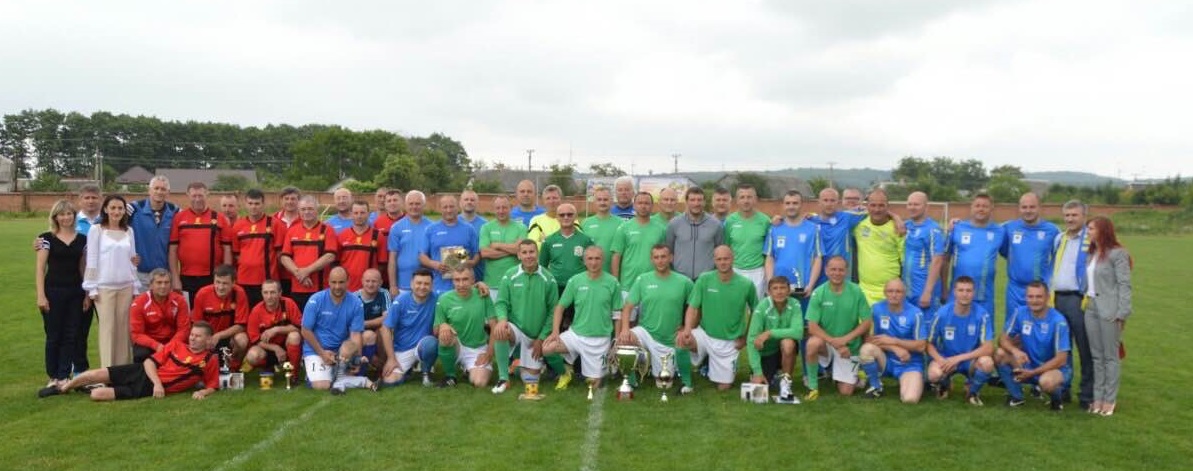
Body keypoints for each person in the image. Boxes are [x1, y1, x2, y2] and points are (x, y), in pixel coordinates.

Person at [38, 322, 220, 401]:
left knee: (97, 395)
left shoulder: (209, 359)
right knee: (96, 373)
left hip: (146, 388)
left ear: (208, 339)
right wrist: (158, 383)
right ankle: (63, 388)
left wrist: (203, 392)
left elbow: (213, 385)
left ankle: (94, 387)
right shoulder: (176, 345)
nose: (192, 338)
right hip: (142, 372)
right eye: (192, 335)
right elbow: (149, 363)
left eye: (198, 336)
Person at [679, 245, 759, 391]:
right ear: (714, 260)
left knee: (724, 387)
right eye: (719, 259)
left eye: (726, 259)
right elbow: (693, 307)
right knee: (681, 340)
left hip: (729, 342)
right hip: (705, 334)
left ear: (732, 259)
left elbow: (756, 312)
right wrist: (687, 329)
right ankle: (686, 383)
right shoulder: (704, 279)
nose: (723, 262)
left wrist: (746, 338)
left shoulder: (746, 284)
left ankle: (714, 366)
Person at [619, 245, 695, 392]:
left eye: (663, 256)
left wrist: (687, 328)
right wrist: (625, 329)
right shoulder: (643, 279)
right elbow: (628, 307)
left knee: (663, 383)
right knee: (624, 339)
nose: (660, 260)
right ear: (652, 260)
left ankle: (687, 383)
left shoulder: (684, 282)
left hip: (669, 339)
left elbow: (695, 307)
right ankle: (630, 382)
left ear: (670, 258)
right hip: (646, 332)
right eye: (656, 257)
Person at [545, 246, 622, 391]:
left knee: (595, 385)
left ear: (602, 260)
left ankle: (596, 372)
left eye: (597, 258)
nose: (593, 262)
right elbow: (559, 307)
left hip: (600, 340)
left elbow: (617, 313)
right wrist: (555, 332)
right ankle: (565, 372)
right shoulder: (575, 281)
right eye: (590, 259)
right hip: (576, 335)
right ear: (584, 261)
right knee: (548, 348)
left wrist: (616, 339)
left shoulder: (612, 282)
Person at [492, 240, 563, 394]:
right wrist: (502, 320)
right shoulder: (510, 275)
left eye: (532, 252)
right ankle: (503, 378)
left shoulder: (548, 278)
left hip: (536, 336)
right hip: (516, 330)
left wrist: (541, 338)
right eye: (524, 252)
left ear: (537, 254)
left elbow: (553, 311)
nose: (528, 256)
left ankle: (518, 364)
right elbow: (501, 302)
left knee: (530, 379)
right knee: (500, 330)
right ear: (518, 255)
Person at [35, 200, 89, 388]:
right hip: (53, 292)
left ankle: (64, 375)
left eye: (69, 214)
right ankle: (53, 376)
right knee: (53, 335)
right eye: (62, 214)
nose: (66, 218)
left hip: (75, 292)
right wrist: (41, 295)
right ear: (55, 217)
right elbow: (40, 269)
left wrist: (86, 294)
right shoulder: (46, 239)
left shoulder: (82, 239)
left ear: (74, 216)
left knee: (70, 335)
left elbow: (83, 268)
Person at [83, 194, 141, 368]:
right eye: (113, 208)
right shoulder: (97, 230)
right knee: (107, 330)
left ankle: (122, 370)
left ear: (124, 211)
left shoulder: (128, 231)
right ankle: (107, 372)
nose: (117, 212)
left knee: (123, 330)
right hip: (104, 288)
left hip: (126, 287)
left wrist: (135, 287)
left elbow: (132, 260)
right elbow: (92, 259)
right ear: (106, 209)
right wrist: (92, 288)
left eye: (120, 208)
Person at [803, 256, 872, 400]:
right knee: (812, 343)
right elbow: (812, 327)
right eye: (833, 269)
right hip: (827, 343)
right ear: (826, 271)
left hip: (849, 346)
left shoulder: (856, 291)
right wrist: (834, 342)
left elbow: (867, 322)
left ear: (846, 271)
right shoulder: (819, 292)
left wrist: (845, 340)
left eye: (840, 270)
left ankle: (852, 372)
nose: (836, 273)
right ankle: (813, 387)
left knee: (846, 392)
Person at [996, 282, 1071, 411]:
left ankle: (1057, 398)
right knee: (999, 354)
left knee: (1046, 382)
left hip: (1054, 369)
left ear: (1047, 297)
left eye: (1039, 296)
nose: (1034, 301)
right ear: (1025, 297)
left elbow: (1061, 359)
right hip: (1028, 364)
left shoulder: (1058, 321)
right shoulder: (1020, 312)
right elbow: (1002, 339)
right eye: (1030, 296)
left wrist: (1032, 373)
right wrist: (1015, 351)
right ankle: (1016, 397)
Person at [1085, 216, 1132, 416]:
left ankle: (1109, 400)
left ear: (1103, 230)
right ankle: (1097, 398)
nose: (1088, 232)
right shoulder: (1092, 253)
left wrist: (1122, 312)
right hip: (1090, 308)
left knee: (1110, 357)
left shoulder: (1118, 254)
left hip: (1109, 310)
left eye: (1091, 228)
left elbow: (1124, 284)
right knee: (1097, 357)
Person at [302, 267, 374, 393]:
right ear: (328, 281)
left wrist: (355, 359)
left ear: (348, 281)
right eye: (334, 282)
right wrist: (322, 353)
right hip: (318, 350)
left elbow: (355, 333)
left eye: (341, 282)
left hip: (342, 350)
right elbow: (305, 330)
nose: (337, 286)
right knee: (322, 386)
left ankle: (347, 372)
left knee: (369, 335)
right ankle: (317, 374)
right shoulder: (315, 300)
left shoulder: (356, 302)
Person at [926, 276, 996, 406]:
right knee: (933, 374)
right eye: (961, 290)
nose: (965, 294)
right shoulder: (942, 313)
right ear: (954, 292)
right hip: (946, 359)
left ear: (973, 293)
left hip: (970, 360)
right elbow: (928, 344)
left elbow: (989, 348)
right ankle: (945, 384)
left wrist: (958, 358)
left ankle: (973, 392)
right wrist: (940, 360)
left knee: (987, 363)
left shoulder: (982, 315)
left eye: (968, 290)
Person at [1050, 200, 1093, 408]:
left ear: (1084, 216)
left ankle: (1087, 395)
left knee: (1085, 348)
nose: (1070, 219)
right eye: (1067, 215)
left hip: (1079, 299)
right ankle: (1062, 390)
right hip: (1058, 299)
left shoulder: (1091, 239)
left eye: (1074, 215)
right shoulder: (1060, 238)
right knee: (1062, 349)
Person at [857, 279, 928, 403]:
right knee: (866, 349)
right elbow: (868, 339)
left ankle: (915, 380)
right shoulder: (876, 309)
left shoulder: (915, 313)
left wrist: (895, 341)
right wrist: (894, 348)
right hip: (886, 360)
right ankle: (876, 386)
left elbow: (921, 346)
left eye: (898, 291)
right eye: (890, 291)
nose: (894, 295)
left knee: (910, 400)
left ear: (904, 293)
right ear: (885, 292)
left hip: (909, 363)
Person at [942, 194, 1005, 317]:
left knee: (984, 328)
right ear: (971, 207)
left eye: (985, 206)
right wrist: (944, 288)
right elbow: (945, 259)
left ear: (992, 208)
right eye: (977, 206)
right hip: (958, 294)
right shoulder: (957, 228)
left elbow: (1009, 254)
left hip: (985, 295)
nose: (981, 209)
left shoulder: (1000, 231)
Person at [433, 268, 496, 388]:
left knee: (479, 383)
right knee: (445, 333)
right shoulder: (444, 299)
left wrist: (489, 353)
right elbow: (435, 331)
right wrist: (443, 325)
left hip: (477, 348)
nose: (461, 284)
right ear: (452, 281)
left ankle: (468, 369)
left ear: (473, 280)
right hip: (456, 345)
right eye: (457, 280)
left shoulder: (483, 295)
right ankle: (450, 376)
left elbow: (494, 327)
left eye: (465, 279)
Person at [1001, 192, 1060, 318]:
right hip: (1015, 291)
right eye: (1024, 207)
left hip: (1040, 290)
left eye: (1032, 207)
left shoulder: (1052, 230)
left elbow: (1060, 256)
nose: (1028, 211)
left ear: (1039, 207)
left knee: (1039, 325)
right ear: (1019, 208)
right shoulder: (1008, 227)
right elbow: (986, 231)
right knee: (1014, 326)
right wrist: (958, 223)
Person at [169, 182, 232, 299]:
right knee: (188, 309)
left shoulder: (220, 218)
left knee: (211, 309)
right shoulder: (179, 218)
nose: (197, 199)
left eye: (200, 196)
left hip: (213, 277)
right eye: (194, 196)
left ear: (207, 194)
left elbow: (227, 249)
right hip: (186, 278)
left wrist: (226, 276)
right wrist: (175, 278)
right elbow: (173, 250)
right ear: (188, 195)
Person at [746, 277, 804, 401]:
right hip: (766, 352)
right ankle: (771, 374)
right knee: (759, 392)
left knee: (788, 343)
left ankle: (785, 385)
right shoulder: (762, 307)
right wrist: (757, 372)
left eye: (783, 288)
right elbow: (752, 340)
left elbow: (798, 332)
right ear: (769, 292)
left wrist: (769, 333)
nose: (779, 292)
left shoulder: (794, 304)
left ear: (789, 290)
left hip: (783, 349)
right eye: (775, 288)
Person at [612, 192, 667, 321]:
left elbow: (665, 257)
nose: (643, 206)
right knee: (627, 322)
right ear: (634, 205)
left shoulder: (660, 229)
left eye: (647, 203)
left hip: (652, 284)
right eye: (640, 203)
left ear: (652, 206)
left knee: (648, 323)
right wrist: (616, 282)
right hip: (628, 285)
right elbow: (616, 256)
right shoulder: (624, 228)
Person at [380, 269, 440, 387]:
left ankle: (426, 372)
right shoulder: (400, 301)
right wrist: (391, 358)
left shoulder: (437, 299)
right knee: (390, 382)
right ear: (411, 284)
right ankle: (408, 370)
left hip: (423, 346)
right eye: (419, 283)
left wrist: (477, 286)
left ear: (432, 285)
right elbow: (385, 328)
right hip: (403, 349)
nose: (422, 287)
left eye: (426, 284)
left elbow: (457, 293)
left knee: (431, 343)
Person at [764, 190, 822, 310]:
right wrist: (770, 283)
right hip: (779, 287)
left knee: (801, 319)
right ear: (783, 205)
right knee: (780, 319)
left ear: (801, 205)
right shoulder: (774, 229)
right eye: (788, 203)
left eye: (795, 203)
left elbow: (818, 258)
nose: (791, 206)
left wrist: (811, 285)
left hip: (802, 288)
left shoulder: (813, 229)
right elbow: (770, 258)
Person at [280, 195, 340, 308]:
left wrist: (307, 271)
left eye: (310, 209)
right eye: (303, 209)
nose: (306, 212)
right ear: (298, 211)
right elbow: (284, 257)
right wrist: (299, 274)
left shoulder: (327, 230)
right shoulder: (292, 231)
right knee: (299, 318)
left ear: (317, 210)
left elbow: (330, 256)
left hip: (321, 288)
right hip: (297, 287)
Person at [231, 188, 286, 308]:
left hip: (267, 281)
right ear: (245, 204)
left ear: (263, 204)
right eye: (250, 203)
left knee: (268, 312)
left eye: (257, 203)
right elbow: (236, 253)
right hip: (244, 280)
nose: (253, 207)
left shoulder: (275, 224)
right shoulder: (238, 225)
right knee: (246, 312)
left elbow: (280, 254)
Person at [191, 264, 250, 370]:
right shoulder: (202, 294)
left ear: (233, 283)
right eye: (217, 282)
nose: (220, 287)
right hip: (209, 336)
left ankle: (235, 367)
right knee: (196, 340)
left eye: (225, 283)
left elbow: (241, 326)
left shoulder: (240, 293)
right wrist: (207, 338)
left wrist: (218, 336)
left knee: (242, 339)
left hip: (229, 336)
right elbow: (197, 325)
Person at [420, 194, 480, 295]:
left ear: (457, 207)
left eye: (451, 206)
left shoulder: (469, 229)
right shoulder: (431, 229)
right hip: (439, 286)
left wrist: (472, 263)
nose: (449, 210)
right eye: (445, 207)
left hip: (463, 285)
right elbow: (422, 256)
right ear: (440, 209)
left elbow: (477, 254)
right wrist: (434, 264)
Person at [853, 189, 904, 305]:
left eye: (881, 205)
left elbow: (905, 262)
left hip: (891, 292)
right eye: (873, 205)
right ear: (867, 206)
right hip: (865, 290)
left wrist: (896, 218)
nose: (877, 209)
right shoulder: (859, 225)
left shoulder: (898, 229)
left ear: (887, 206)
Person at [129, 269, 191, 364]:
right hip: (150, 342)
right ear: (151, 285)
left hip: (173, 340)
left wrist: (171, 345)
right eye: (159, 282)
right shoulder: (139, 303)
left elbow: (184, 329)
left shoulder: (180, 300)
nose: (163, 286)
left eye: (166, 282)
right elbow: (136, 334)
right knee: (140, 354)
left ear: (171, 285)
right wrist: (156, 346)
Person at [243, 279, 303, 372]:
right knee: (252, 356)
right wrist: (275, 348)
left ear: (280, 293)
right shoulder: (256, 311)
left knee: (294, 336)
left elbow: (300, 328)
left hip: (286, 345)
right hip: (267, 348)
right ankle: (267, 369)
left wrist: (277, 329)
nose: (269, 296)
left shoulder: (288, 303)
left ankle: (293, 373)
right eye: (265, 292)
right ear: (261, 293)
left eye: (273, 292)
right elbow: (255, 340)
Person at [129, 175, 178, 287]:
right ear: (149, 190)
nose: (159, 192)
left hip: (164, 276)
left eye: (163, 189)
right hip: (140, 274)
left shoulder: (175, 211)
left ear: (168, 193)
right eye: (156, 188)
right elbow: (106, 221)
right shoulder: (134, 209)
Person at [724, 184, 771, 300]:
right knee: (736, 306)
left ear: (755, 199)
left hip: (758, 272)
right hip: (735, 270)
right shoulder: (730, 221)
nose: (746, 201)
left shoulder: (765, 221)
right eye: (742, 197)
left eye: (749, 197)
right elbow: (726, 247)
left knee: (756, 307)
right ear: (737, 200)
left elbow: (769, 251)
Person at [666, 186, 724, 280]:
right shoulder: (674, 224)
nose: (696, 203)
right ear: (686, 202)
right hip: (680, 278)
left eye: (699, 200)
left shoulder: (715, 225)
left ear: (704, 202)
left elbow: (720, 251)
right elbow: (669, 251)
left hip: (706, 279)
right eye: (692, 200)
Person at [810, 188, 866, 284]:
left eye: (832, 200)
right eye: (825, 200)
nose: (829, 204)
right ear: (819, 202)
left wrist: (893, 217)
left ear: (838, 202)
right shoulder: (811, 221)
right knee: (804, 291)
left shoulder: (847, 218)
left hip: (840, 275)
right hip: (816, 275)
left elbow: (876, 210)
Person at [902, 191, 946, 312]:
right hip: (907, 289)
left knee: (926, 323)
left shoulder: (933, 229)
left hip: (924, 289)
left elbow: (937, 261)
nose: (912, 207)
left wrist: (927, 292)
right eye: (910, 204)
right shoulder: (906, 226)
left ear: (926, 207)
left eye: (916, 204)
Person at [479, 195, 528, 299]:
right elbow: (484, 253)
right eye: (498, 208)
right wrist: (512, 250)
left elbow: (519, 249)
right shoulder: (486, 228)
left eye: (504, 207)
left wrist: (497, 245)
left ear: (511, 208)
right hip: (492, 284)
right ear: (494, 209)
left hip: (516, 282)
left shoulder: (521, 228)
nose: (501, 211)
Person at [387, 190, 432, 296]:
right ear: (405, 205)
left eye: (417, 204)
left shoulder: (432, 227)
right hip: (403, 285)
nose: (414, 207)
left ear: (424, 205)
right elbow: (392, 259)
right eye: (411, 204)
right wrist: (393, 285)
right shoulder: (396, 227)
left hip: (426, 284)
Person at [540, 203, 594, 292]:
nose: (566, 217)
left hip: (579, 287)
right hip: (556, 287)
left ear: (575, 216)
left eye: (569, 214)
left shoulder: (586, 240)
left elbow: (592, 266)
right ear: (557, 217)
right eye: (562, 215)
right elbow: (542, 266)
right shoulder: (549, 241)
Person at [338, 201, 385, 292]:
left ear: (368, 214)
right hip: (347, 289)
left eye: (362, 213)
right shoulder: (342, 235)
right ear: (351, 214)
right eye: (356, 213)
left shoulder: (378, 236)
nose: (359, 216)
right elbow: (336, 263)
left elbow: (382, 264)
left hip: (368, 289)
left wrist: (371, 282)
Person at [580, 186, 622, 274]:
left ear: (611, 201)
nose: (602, 202)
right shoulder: (585, 223)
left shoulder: (621, 224)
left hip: (613, 274)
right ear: (594, 202)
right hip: (590, 274)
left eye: (605, 200)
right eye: (599, 200)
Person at [356, 268, 391, 369]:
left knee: (385, 329)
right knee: (368, 335)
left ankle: (382, 366)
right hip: (360, 333)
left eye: (374, 281)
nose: (370, 284)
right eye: (367, 281)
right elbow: (353, 325)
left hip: (377, 329)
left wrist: (364, 323)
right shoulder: (355, 298)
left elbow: (387, 318)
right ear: (362, 281)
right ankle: (365, 364)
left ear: (381, 282)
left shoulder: (384, 293)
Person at [373, 189, 405, 288]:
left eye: (395, 200)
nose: (392, 203)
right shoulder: (378, 222)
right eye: (389, 201)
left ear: (402, 202)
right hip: (384, 275)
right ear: (385, 204)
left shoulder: (409, 220)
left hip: (405, 273)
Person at [274, 187, 303, 296]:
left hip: (300, 273)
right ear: (281, 200)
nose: (289, 202)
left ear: (299, 201)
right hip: (278, 273)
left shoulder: (305, 220)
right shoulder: (273, 220)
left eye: (293, 199)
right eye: (286, 198)